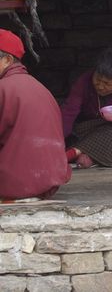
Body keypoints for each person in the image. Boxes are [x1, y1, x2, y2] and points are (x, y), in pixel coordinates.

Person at [0, 29, 71, 201]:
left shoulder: (4, 88)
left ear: (7, 60)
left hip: (15, 184)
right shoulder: (40, 88)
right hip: (48, 183)